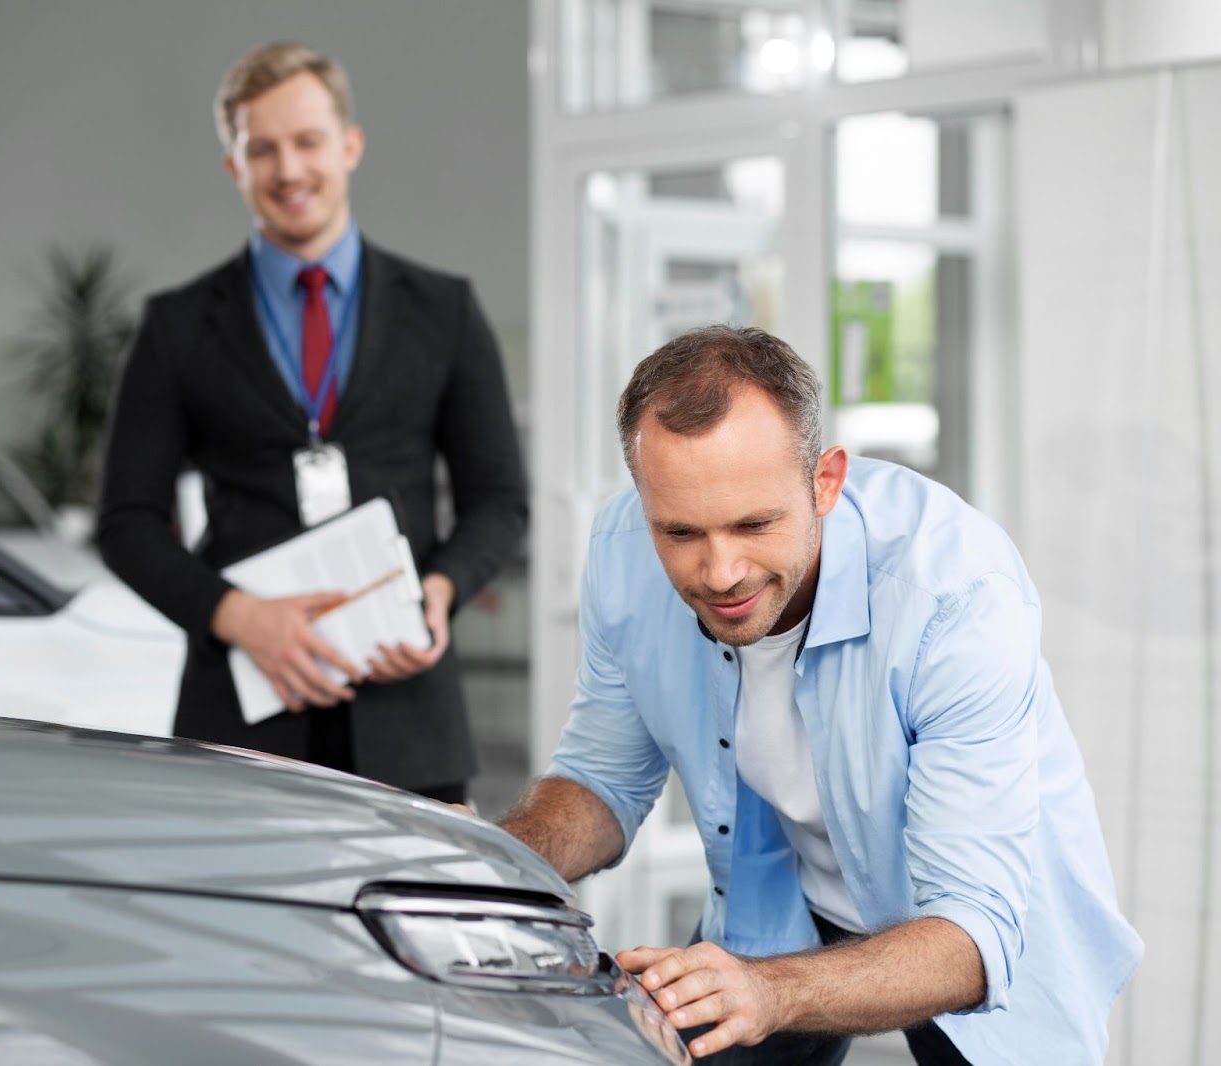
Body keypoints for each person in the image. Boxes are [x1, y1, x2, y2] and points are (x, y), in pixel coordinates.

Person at [497, 326, 1140, 1064]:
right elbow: (600, 781)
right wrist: (485, 858)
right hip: (779, 912)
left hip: (975, 935)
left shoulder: (953, 595)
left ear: (825, 481)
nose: (720, 571)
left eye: (754, 524)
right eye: (680, 531)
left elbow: (973, 931)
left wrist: (772, 993)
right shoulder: (622, 553)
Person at [97, 42, 526, 804]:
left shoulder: (445, 311)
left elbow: (499, 500)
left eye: (307, 142)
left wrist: (441, 589)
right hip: (241, 716)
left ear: (350, 146)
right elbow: (126, 521)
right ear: (234, 165)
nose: (288, 171)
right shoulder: (177, 327)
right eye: (262, 149)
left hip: (410, 716)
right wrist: (236, 617)